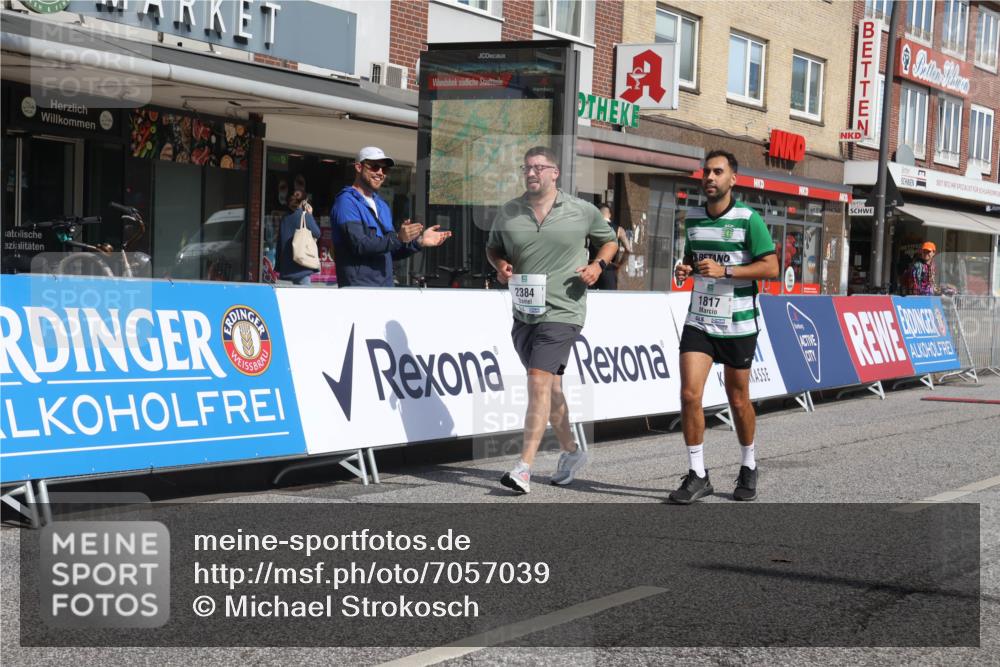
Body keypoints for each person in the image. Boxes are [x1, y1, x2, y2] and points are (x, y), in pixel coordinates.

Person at [486, 146, 618, 494]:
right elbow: (494, 248)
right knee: (552, 387)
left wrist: (597, 266)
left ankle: (523, 467)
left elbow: (610, 242)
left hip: (564, 310)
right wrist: (500, 265)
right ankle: (572, 453)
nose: (531, 173)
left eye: (539, 168)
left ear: (555, 173)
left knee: (538, 382)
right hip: (525, 311)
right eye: (526, 167)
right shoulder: (509, 212)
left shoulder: (581, 210)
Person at [670, 149, 778, 504]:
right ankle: (698, 474)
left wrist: (727, 271)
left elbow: (771, 267)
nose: (710, 178)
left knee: (738, 398)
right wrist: (685, 268)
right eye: (706, 172)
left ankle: (748, 463)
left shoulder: (749, 219)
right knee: (689, 395)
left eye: (718, 172)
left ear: (733, 179)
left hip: (739, 322)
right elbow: (693, 258)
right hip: (700, 319)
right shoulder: (694, 218)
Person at [331, 147, 451, 287]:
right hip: (360, 290)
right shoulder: (346, 202)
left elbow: (390, 250)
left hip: (386, 288)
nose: (380, 173)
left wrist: (418, 242)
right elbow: (359, 245)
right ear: (358, 167)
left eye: (385, 169)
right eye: (375, 167)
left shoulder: (382, 205)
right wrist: (398, 238)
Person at [277, 189, 321, 286]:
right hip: (302, 267)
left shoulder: (284, 218)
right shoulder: (305, 216)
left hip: (286, 269)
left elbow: (279, 243)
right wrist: (310, 215)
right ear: (304, 201)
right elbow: (317, 233)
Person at [588, 203, 632, 290]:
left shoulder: (590, 226)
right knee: (608, 300)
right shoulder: (619, 230)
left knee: (589, 299)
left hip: (591, 268)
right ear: (609, 215)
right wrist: (619, 264)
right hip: (608, 269)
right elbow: (628, 249)